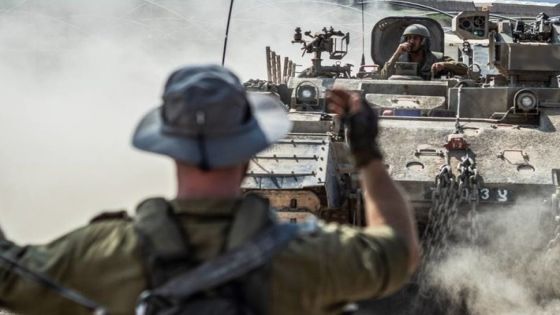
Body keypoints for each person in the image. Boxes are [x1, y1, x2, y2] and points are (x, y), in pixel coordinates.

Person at [0, 64, 419, 315]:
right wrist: (367, 154)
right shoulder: (309, 257)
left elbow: (8, 275)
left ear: (168, 145)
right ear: (252, 149)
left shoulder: (103, 253)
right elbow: (399, 251)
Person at [378, 24, 468, 80]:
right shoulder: (399, 60)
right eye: (409, 38)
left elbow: (464, 69)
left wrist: (444, 65)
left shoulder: (436, 58)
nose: (411, 41)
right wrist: (397, 53)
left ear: (423, 41)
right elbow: (384, 77)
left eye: (415, 38)